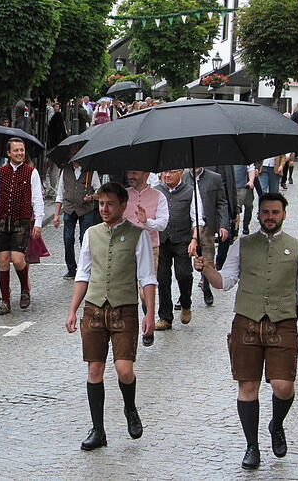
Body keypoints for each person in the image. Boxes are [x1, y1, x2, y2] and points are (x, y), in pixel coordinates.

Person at [195, 192, 298, 470]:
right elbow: (224, 282)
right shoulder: (242, 244)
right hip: (246, 322)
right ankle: (252, 445)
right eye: (265, 212)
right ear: (258, 214)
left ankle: (276, 424)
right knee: (247, 386)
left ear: (284, 214)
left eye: (275, 212)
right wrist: (207, 269)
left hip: (282, 323)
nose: (270, 217)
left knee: (283, 387)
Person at [65, 182, 156, 451]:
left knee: (124, 369)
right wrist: (72, 309)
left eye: (110, 204)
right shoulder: (91, 234)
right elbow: (83, 273)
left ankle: (130, 407)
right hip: (94, 308)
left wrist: (149, 312)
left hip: (124, 308)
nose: (104, 209)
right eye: (101, 204)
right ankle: (98, 430)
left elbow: (147, 277)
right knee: (94, 369)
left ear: (123, 205)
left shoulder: (138, 235)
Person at [0, 138, 44, 315]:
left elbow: (38, 200)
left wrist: (38, 223)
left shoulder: (31, 172)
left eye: (22, 150)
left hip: (22, 221)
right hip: (2, 221)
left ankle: (25, 288)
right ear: (8, 153)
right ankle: (5, 300)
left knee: (17, 259)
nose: (20, 153)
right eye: (16, 150)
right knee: (2, 260)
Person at [154, 169, 204, 330]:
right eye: (165, 172)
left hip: (182, 240)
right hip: (161, 240)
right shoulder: (157, 191)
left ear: (181, 172)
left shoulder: (191, 191)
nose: (167, 175)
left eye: (172, 172)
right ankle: (165, 317)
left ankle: (185, 303)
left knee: (184, 274)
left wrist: (195, 239)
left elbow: (197, 219)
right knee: (162, 279)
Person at [53, 148, 101, 279]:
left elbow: (99, 191)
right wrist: (56, 215)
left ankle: (85, 268)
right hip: (69, 209)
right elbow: (60, 194)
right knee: (68, 239)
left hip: (86, 210)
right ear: (69, 156)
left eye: (77, 154)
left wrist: (91, 197)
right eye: (73, 154)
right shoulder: (65, 171)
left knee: (84, 239)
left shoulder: (91, 171)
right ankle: (71, 269)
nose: (75, 157)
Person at [184, 167, 228, 306]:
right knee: (184, 264)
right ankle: (184, 295)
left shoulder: (214, 178)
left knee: (207, 259)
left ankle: (206, 285)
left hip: (207, 224)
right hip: (187, 226)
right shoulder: (183, 178)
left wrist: (223, 224)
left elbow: (222, 202)